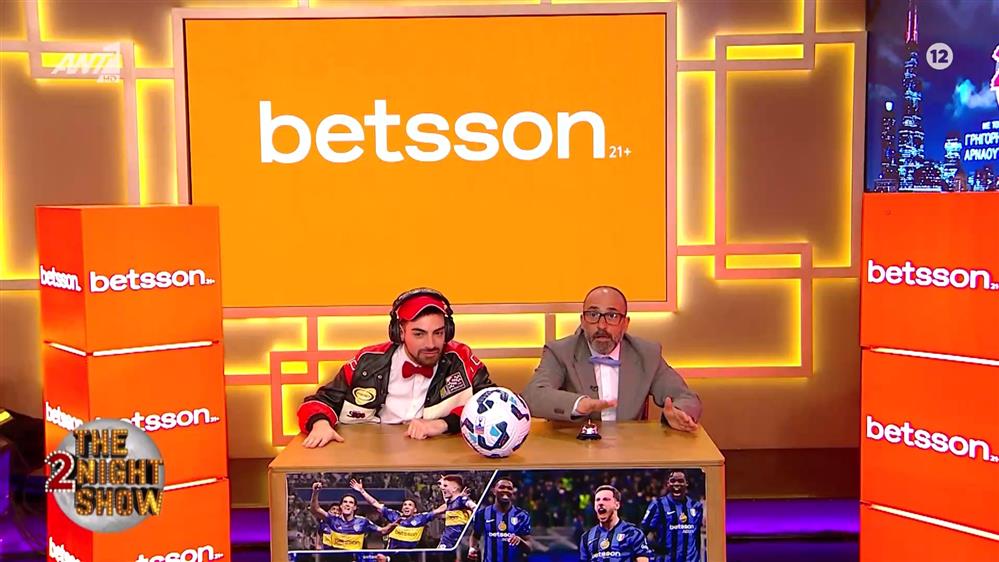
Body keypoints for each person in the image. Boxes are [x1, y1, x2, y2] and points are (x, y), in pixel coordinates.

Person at [298, 288, 495, 447]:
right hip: (371, 455)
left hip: (439, 458)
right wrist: (320, 424)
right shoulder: (368, 362)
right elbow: (319, 402)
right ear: (400, 332)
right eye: (419, 334)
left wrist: (443, 424)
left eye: (438, 333)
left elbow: (495, 405)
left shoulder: (461, 360)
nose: (431, 344)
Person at [522, 286, 701, 430]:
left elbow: (687, 398)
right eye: (593, 315)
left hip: (630, 454)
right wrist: (578, 404)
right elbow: (533, 396)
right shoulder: (560, 352)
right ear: (583, 321)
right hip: (575, 453)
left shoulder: (647, 354)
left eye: (612, 316)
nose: (602, 325)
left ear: (625, 323)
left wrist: (678, 413)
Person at [349, 478, 445, 549]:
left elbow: (439, 510)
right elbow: (375, 503)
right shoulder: (394, 515)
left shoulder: (421, 518)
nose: (406, 506)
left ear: (415, 510)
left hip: (410, 556)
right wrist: (362, 491)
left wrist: (449, 493)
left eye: (410, 505)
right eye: (405, 505)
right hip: (392, 555)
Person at [309, 482, 397, 550]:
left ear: (355, 507)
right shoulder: (333, 519)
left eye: (351, 502)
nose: (347, 504)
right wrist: (315, 492)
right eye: (345, 502)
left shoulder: (363, 522)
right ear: (341, 506)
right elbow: (315, 510)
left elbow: (383, 531)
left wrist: (394, 524)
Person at [640, 471, 704, 562]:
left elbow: (697, 537)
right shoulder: (658, 505)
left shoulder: (696, 506)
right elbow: (641, 533)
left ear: (686, 483)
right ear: (668, 484)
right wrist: (656, 547)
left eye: (680, 481)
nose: (676, 484)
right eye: (673, 481)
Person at [579, 485, 652, 562]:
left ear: (617, 505)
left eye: (606, 499)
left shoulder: (633, 533)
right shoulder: (586, 537)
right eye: (597, 500)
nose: (600, 503)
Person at [469, 478, 533, 562]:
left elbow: (529, 548)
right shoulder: (482, 513)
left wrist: (520, 541)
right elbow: (475, 535)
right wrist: (472, 548)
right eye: (502, 487)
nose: (506, 490)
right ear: (494, 491)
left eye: (509, 488)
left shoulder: (522, 515)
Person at [437, 474, 478, 549]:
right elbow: (445, 496)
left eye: (446, 486)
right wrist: (442, 483)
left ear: (454, 488)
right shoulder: (449, 501)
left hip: (459, 538)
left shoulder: (462, 500)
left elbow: (475, 507)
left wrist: (476, 519)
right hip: (447, 538)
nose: (443, 488)